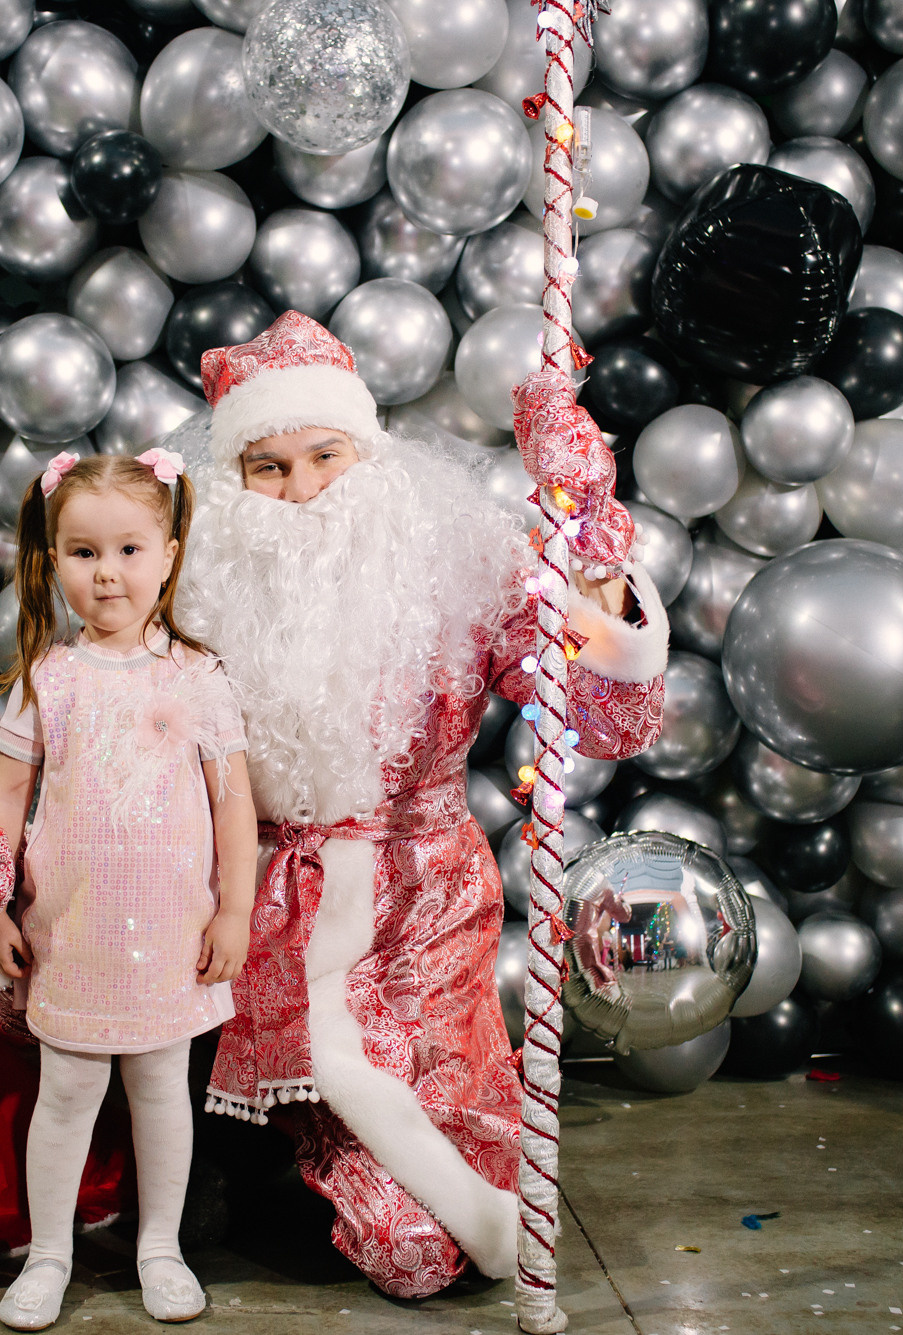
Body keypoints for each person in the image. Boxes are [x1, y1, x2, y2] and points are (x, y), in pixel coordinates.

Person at [174, 312, 668, 1298]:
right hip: (250, 916)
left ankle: (341, 1162)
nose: (303, 489)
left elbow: (602, 716)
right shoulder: (188, 586)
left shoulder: (458, 566)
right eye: (267, 469)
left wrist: (592, 531)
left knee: (415, 1249)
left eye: (324, 455)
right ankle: (233, 1149)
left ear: (370, 454)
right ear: (231, 485)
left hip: (420, 912)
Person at [0, 450, 257, 1330]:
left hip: (172, 935)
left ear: (170, 553)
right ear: (54, 561)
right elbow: (7, 802)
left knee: (158, 1092)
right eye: (85, 553)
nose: (109, 573)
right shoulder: (49, 678)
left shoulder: (198, 678)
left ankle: (160, 1246)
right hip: (72, 932)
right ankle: (53, 1250)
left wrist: (235, 909)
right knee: (64, 1094)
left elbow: (234, 808)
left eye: (131, 550)